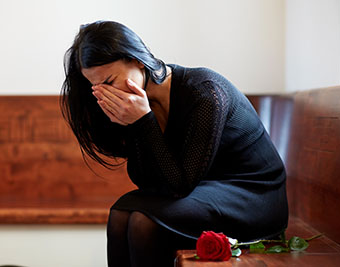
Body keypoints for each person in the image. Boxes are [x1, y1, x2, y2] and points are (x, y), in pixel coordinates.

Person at [61, 21, 288, 267]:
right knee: (120, 213)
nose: (105, 94)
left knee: (144, 221)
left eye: (109, 81)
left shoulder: (204, 92)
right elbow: (146, 182)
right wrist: (133, 125)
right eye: (96, 88)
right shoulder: (137, 105)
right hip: (205, 192)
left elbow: (180, 186)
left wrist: (142, 122)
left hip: (254, 195)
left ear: (137, 60)